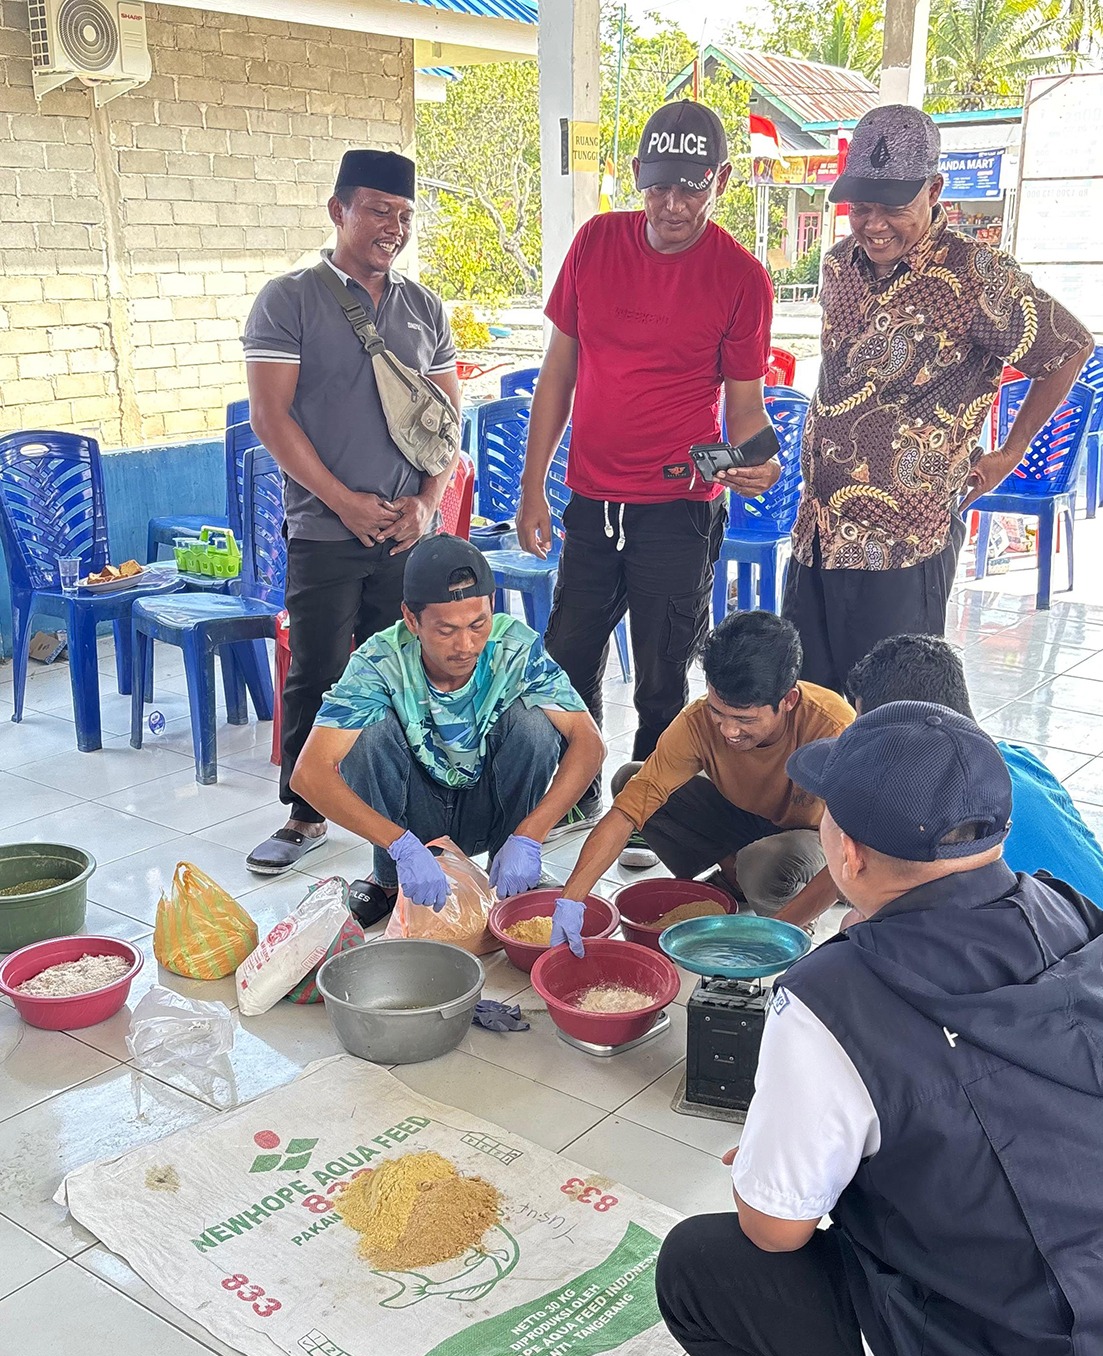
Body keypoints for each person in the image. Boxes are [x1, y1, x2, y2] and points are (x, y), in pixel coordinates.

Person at [656, 701, 1103, 1356]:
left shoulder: (834, 1000)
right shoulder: (1068, 913)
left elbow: (773, 1232)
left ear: (848, 854)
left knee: (699, 1269)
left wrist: (783, 1168)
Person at [518, 99, 777, 855]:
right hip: (592, 499)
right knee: (568, 653)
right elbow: (557, 372)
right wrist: (535, 485)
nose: (672, 204)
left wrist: (750, 460)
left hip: (678, 508)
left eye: (691, 187)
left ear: (719, 181)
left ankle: (647, 800)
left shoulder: (739, 276)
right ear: (635, 176)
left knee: (665, 668)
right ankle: (572, 792)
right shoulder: (595, 243)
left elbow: (745, 408)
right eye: (658, 186)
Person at [783, 104, 1093, 695]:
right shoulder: (839, 265)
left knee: (895, 717)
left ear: (933, 191)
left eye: (892, 207)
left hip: (903, 544)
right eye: (860, 206)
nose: (873, 225)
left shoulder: (977, 276)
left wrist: (1009, 452)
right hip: (817, 534)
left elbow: (1069, 348)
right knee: (811, 708)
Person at [242, 148, 460, 875]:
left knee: (399, 672)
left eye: (402, 215)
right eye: (375, 210)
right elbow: (271, 419)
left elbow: (443, 423)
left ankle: (389, 810)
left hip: (403, 534)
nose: (391, 227)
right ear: (338, 211)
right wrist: (343, 502)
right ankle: (304, 815)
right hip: (323, 529)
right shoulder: (289, 299)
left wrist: (425, 505)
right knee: (320, 670)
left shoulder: (424, 307)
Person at [290, 536, 605, 926]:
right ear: (411, 619)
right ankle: (391, 879)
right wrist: (399, 845)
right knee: (366, 733)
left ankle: (511, 859)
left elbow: (589, 742)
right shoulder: (378, 661)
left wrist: (531, 834)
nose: (466, 645)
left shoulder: (514, 647)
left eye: (478, 624)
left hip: (491, 811)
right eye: (445, 630)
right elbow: (308, 773)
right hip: (413, 820)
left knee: (535, 725)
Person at [548, 612, 853, 953]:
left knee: (763, 866)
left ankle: (793, 901)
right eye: (717, 711)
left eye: (745, 719)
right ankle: (735, 874)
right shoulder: (697, 722)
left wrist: (770, 935)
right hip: (750, 819)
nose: (728, 731)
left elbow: (858, 844)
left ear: (788, 702)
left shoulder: (834, 728)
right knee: (631, 779)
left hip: (817, 839)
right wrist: (572, 898)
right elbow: (627, 812)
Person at [848, 633, 1103, 904]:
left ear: (901, 737)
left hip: (1054, 940)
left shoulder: (930, 812)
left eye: (863, 728)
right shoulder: (1019, 759)